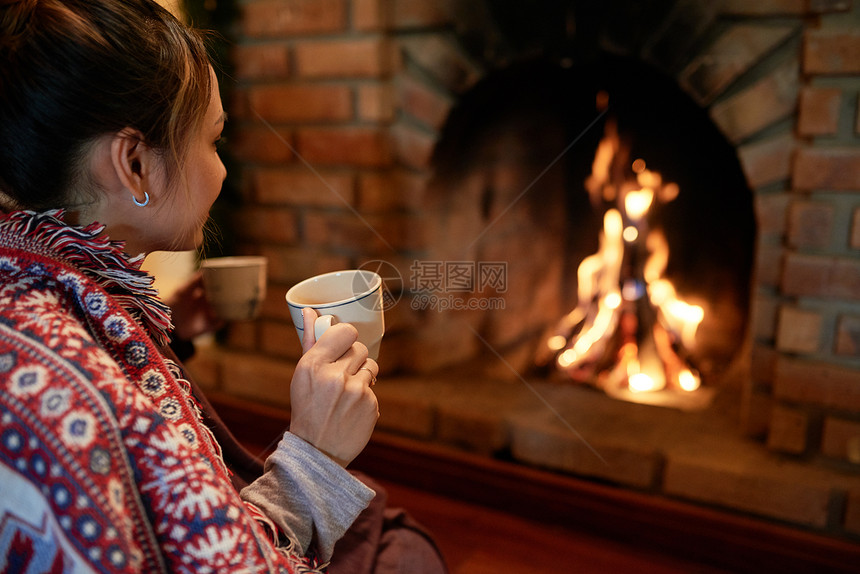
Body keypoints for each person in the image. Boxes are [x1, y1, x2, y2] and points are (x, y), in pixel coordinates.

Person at [0, 1, 445, 572]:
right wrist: (316, 456)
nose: (224, 170)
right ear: (134, 163)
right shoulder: (59, 390)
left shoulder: (42, 281)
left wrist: (170, 335)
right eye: (214, 140)